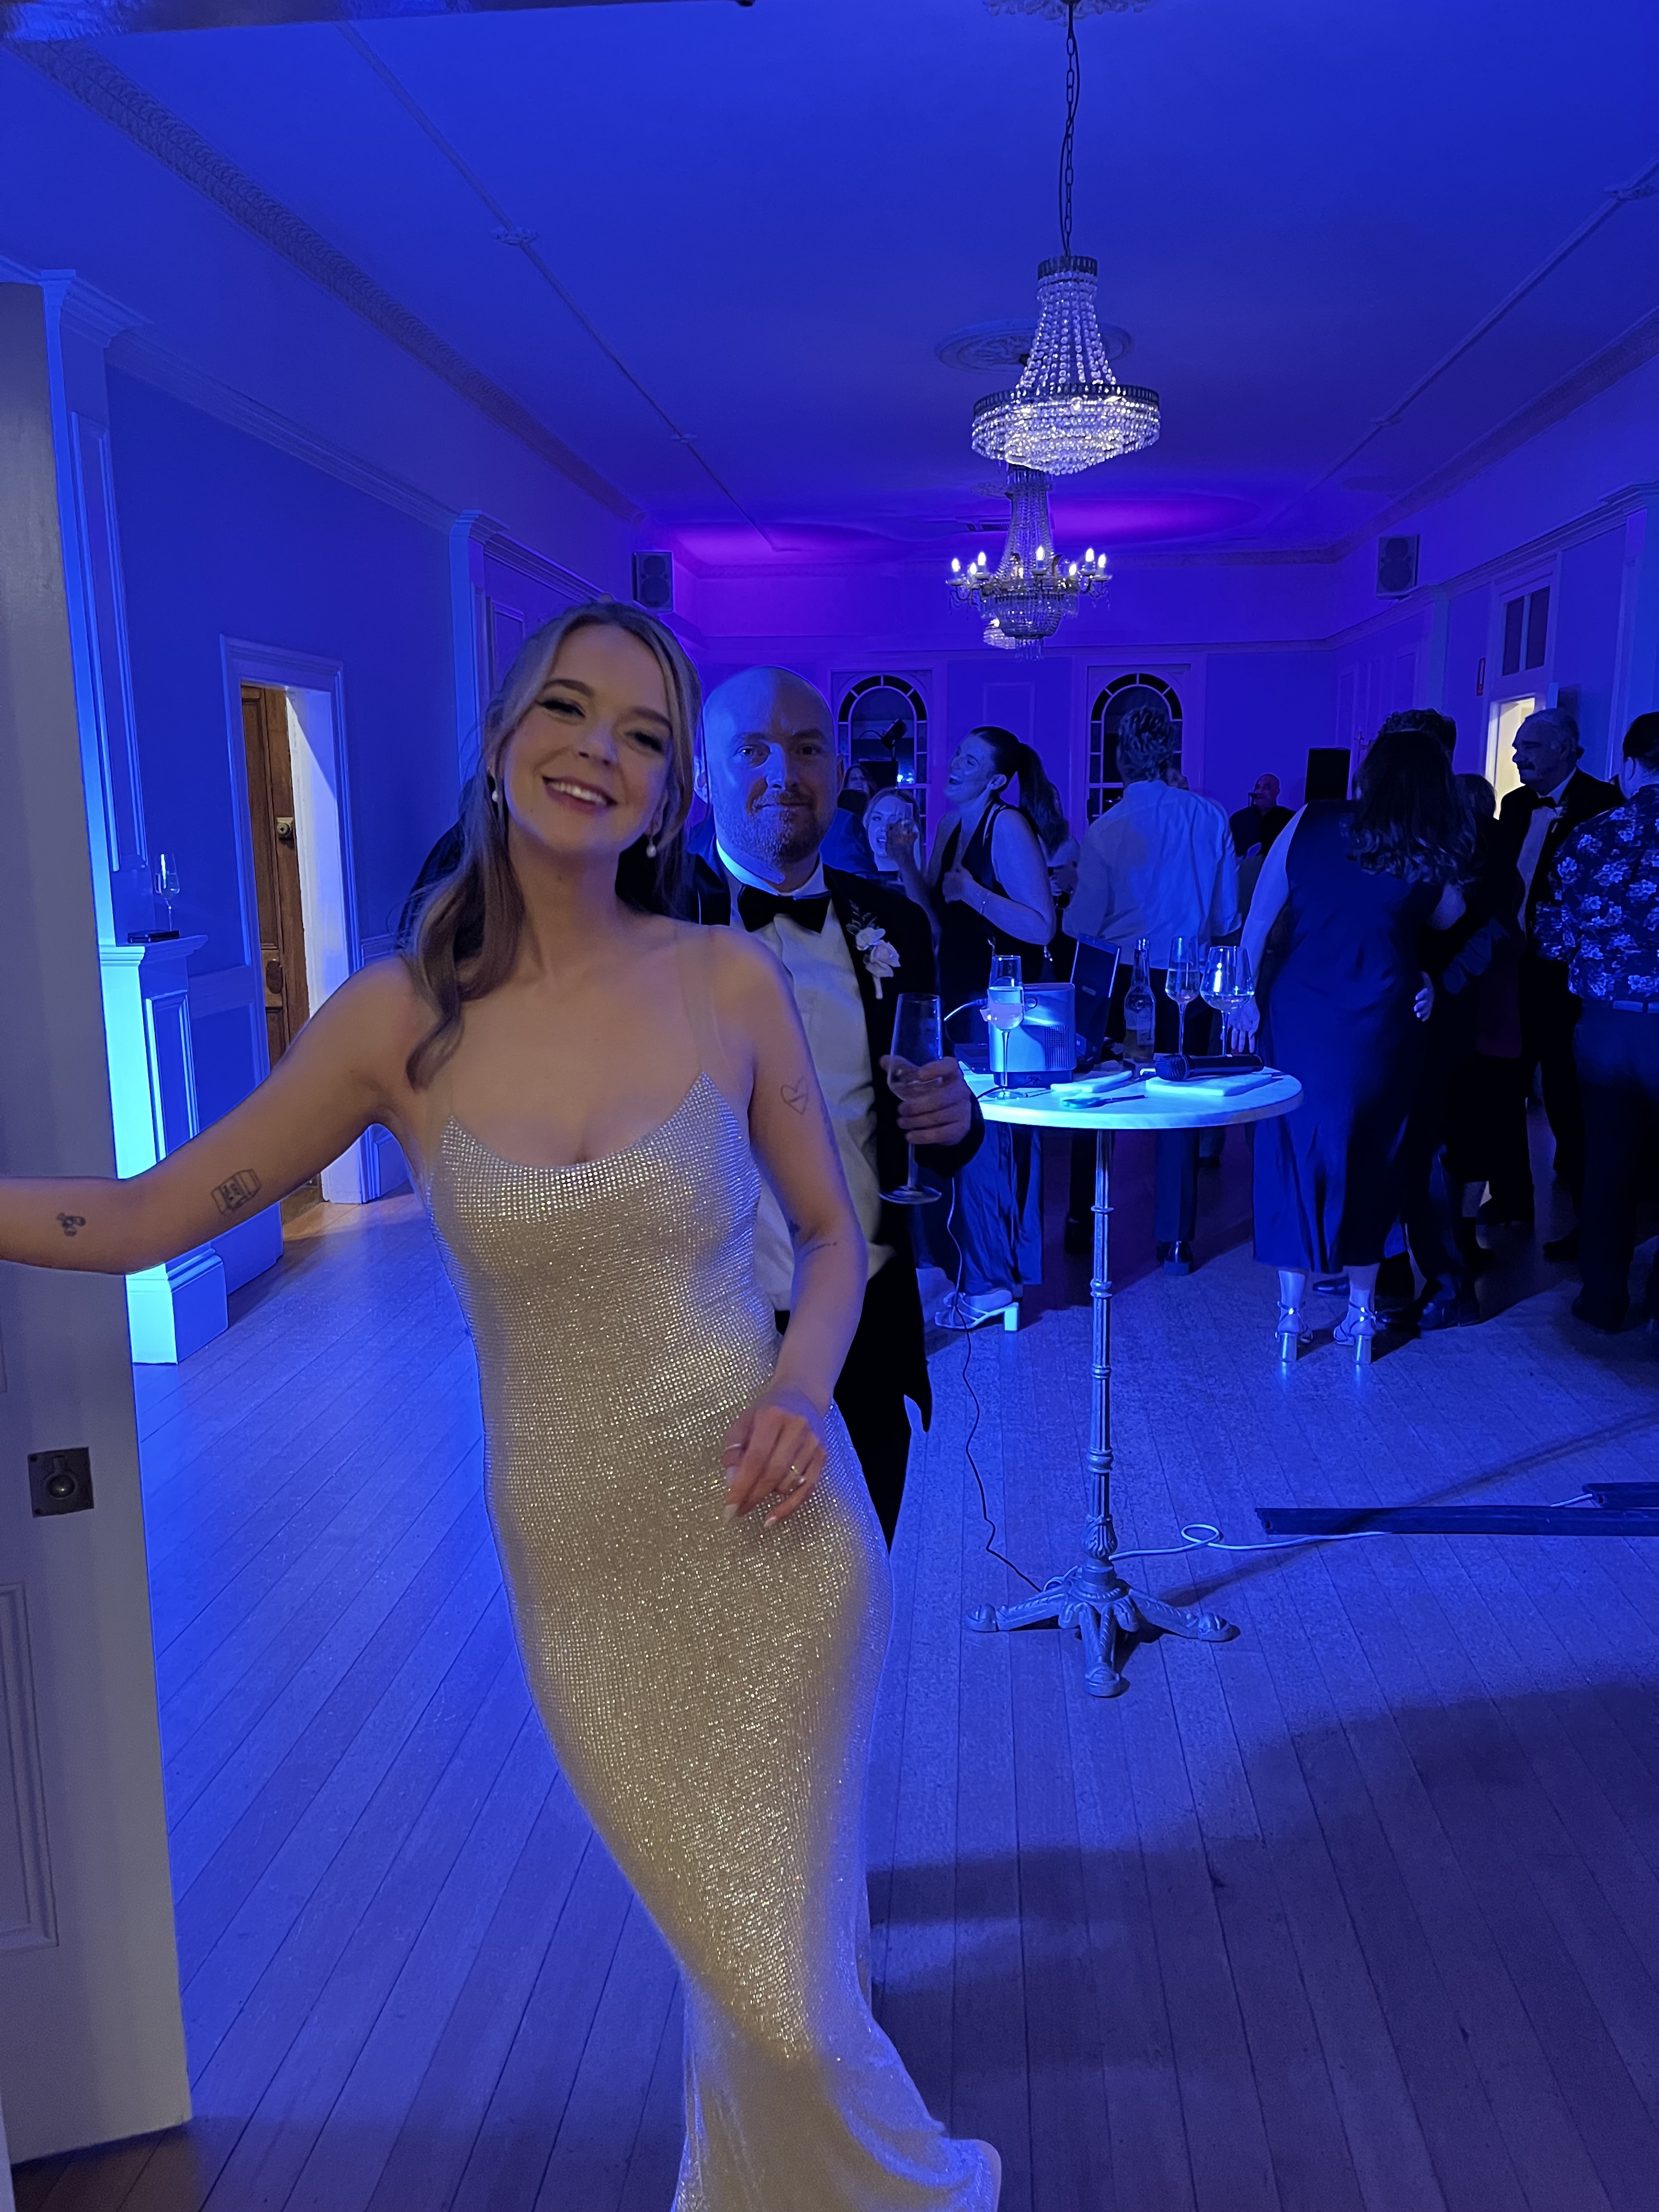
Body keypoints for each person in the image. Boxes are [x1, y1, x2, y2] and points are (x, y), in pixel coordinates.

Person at [0, 605, 999, 2210]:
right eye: (567, 709)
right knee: (745, 1970)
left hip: (776, 1537)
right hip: (583, 1574)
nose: (599, 749)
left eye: (643, 734)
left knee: (791, 1999)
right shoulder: (398, 1020)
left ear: (669, 796)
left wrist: (802, 1389)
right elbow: (142, 1218)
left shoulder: (727, 979)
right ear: (498, 741)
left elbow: (831, 1236)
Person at [686, 665, 983, 1542]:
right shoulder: (648, 927)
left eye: (809, 749)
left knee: (859, 1589)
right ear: (702, 776)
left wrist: (958, 1123)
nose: (784, 773)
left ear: (840, 771)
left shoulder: (895, 925)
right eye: (752, 751)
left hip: (862, 1327)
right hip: (700, 1337)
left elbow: (928, 1121)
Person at [1243, 724, 1469, 1355]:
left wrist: (1243, 998)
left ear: (1371, 772)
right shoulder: (1427, 849)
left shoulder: (1311, 820)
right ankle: (1363, 1316)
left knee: (1291, 1153)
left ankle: (1291, 1318)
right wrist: (1424, 968)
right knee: (1375, 1155)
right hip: (1384, 1016)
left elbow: (1259, 918)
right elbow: (1450, 917)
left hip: (1301, 1012)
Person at [1065, 706, 1239, 1273]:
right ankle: (1176, 1241)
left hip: (1121, 975)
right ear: (1169, 754)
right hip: (1187, 975)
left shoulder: (1107, 828)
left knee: (1096, 1092)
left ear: (1120, 758)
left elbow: (1083, 923)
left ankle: (1082, 1220)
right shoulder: (1209, 817)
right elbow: (1225, 915)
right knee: (1180, 1102)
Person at [910, 725, 1058, 1327]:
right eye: (957, 754)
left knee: (988, 1141)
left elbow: (1042, 927)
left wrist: (973, 892)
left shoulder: (1008, 826)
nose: (954, 765)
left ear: (996, 779)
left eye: (970, 761)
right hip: (958, 997)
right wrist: (904, 860)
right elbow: (936, 917)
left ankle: (993, 1284)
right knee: (959, 1135)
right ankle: (974, 1272)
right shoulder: (950, 825)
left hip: (1001, 1008)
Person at [1537, 712, 1659, 1334]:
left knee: (1607, 1166)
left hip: (1606, 1026)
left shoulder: (1590, 836)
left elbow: (1552, 938)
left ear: (1631, 765)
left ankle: (1604, 1298)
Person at [1488, 708, 1619, 1255]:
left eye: (1530, 747)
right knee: (1504, 1085)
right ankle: (1511, 1197)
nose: (1518, 756)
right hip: (1510, 966)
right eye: (1518, 747)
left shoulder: (1604, 804)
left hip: (1565, 973)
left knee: (1568, 1092)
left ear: (1565, 748)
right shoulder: (1515, 804)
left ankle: (1591, 1219)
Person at [1230, 772, 1293, 859]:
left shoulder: (1289, 818)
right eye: (1257, 787)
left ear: (1277, 792)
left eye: (1266, 788)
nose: (1260, 792)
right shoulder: (1238, 819)